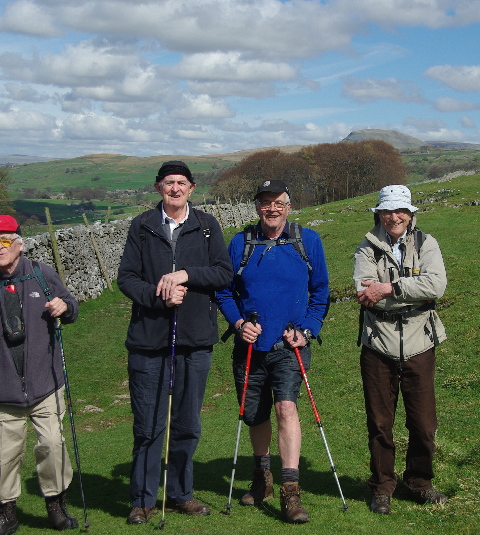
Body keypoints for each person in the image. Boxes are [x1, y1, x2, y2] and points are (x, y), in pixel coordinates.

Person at [117, 160, 232, 525]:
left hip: (196, 339)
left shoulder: (208, 226)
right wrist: (158, 295)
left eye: (182, 182)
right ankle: (143, 499)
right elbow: (126, 278)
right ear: (158, 188)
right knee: (149, 424)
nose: (175, 188)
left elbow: (223, 272)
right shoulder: (142, 226)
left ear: (192, 189)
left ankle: (182, 494)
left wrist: (185, 274)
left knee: (187, 422)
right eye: (169, 182)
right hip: (149, 341)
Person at [0, 214, 80, 535]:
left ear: (20, 244)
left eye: (6, 240)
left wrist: (64, 307)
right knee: (2, 456)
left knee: (52, 446)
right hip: (1, 387)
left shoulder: (40, 274)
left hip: (45, 382)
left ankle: (56, 506)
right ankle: (5, 514)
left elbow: (71, 304)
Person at [216, 180, 330, 524]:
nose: (272, 209)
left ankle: (290, 491)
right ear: (256, 207)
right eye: (265, 203)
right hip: (250, 346)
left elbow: (321, 292)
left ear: (289, 205)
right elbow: (223, 292)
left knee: (286, 408)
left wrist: (308, 330)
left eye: (278, 202)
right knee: (255, 415)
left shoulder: (307, 240)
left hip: (289, 346)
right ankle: (262, 478)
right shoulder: (241, 242)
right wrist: (238, 324)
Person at [353, 184, 448, 514]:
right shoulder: (366, 248)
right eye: (388, 211)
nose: (395, 217)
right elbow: (364, 292)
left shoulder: (426, 243)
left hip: (420, 342)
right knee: (380, 423)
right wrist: (408, 291)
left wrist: (389, 288)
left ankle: (419, 483)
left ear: (410, 214)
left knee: (423, 422)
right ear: (379, 213)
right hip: (377, 344)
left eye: (401, 211)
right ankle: (382, 487)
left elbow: (436, 285)